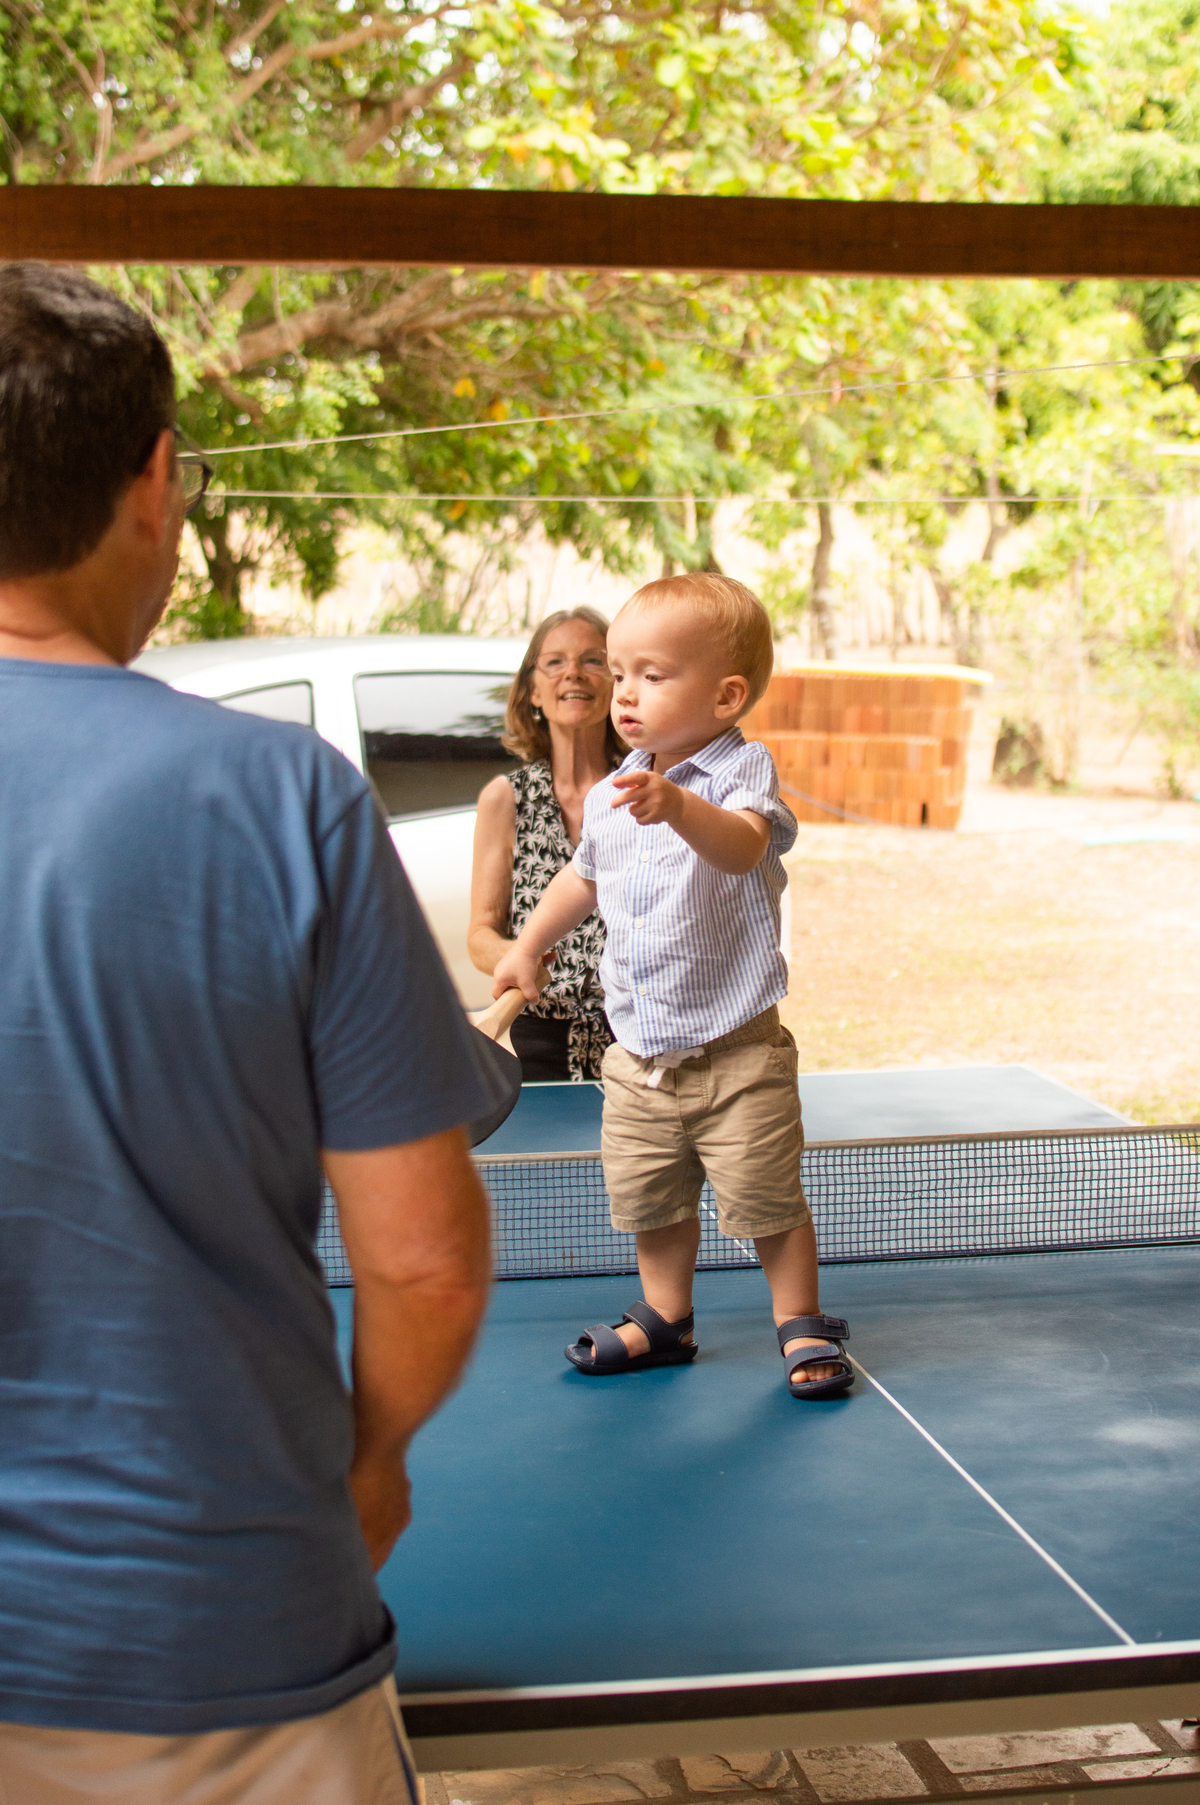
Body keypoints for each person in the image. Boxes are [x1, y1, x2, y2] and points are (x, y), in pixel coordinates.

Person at [0, 262, 498, 1801]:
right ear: (154, 480)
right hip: (214, 1648)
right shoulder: (279, 800)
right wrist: (363, 1463)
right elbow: (421, 1256)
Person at [493, 573, 852, 1399]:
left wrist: (677, 805)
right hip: (638, 1060)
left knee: (768, 1200)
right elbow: (583, 877)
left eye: (652, 676)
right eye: (621, 674)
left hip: (738, 1057)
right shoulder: (628, 787)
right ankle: (666, 1316)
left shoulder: (737, 771)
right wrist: (528, 946)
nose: (624, 693)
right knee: (650, 1198)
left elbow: (741, 847)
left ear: (726, 695)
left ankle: (800, 1319)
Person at [469, 606, 624, 1082]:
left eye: (593, 660)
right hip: (537, 1044)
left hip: (638, 1041)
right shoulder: (505, 799)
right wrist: (519, 957)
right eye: (554, 661)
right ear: (533, 689)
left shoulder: (646, 791)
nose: (573, 672)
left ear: (619, 681)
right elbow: (480, 937)